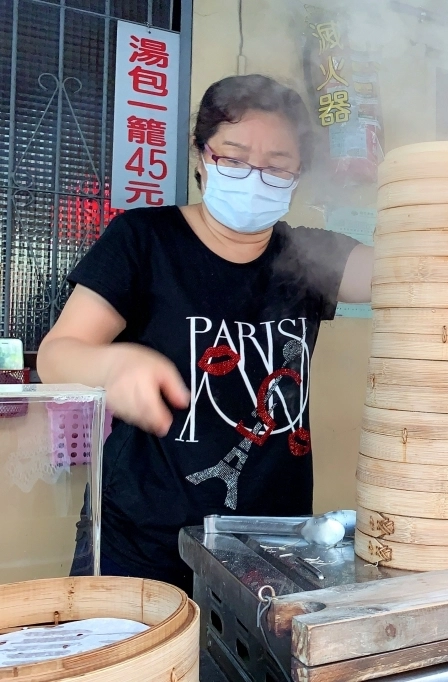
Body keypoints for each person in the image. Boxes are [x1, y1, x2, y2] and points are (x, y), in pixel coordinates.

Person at [37, 74, 372, 593]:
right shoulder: (144, 240)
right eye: (233, 158)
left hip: (270, 545)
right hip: (140, 539)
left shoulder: (308, 257)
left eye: (277, 166)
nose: (254, 177)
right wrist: (113, 364)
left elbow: (408, 270)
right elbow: (57, 356)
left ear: (297, 177)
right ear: (201, 156)